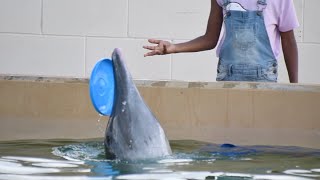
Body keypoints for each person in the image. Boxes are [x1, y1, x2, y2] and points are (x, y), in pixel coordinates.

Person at [143, 0, 299, 83]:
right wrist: (174, 47)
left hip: (264, 79)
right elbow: (210, 39)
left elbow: (289, 42)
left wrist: (295, 87)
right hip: (228, 77)